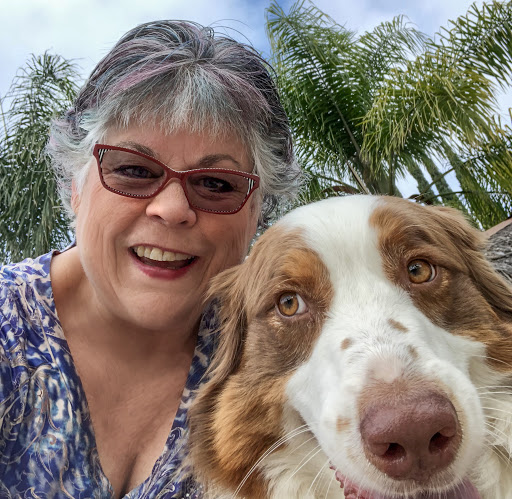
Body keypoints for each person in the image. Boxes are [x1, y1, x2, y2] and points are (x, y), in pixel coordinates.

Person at [0, 21, 299, 498]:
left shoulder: (279, 358)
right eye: (134, 169)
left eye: (216, 184)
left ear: (257, 211)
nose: (173, 209)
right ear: (76, 185)